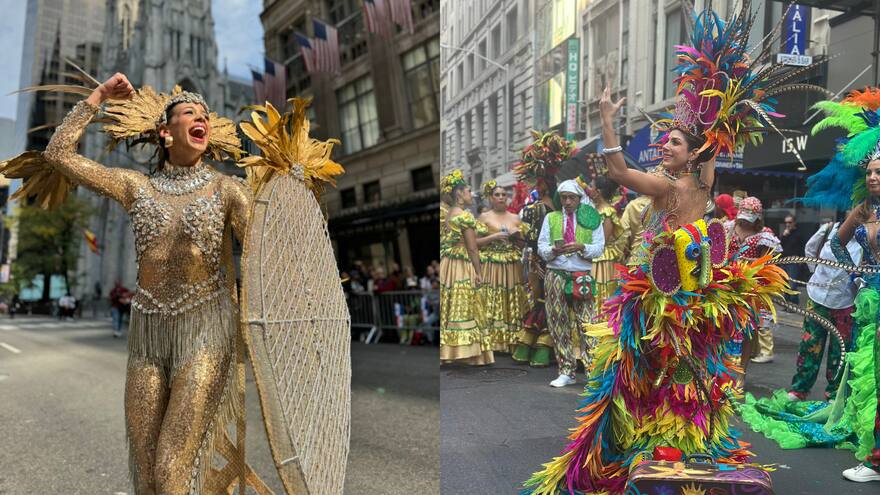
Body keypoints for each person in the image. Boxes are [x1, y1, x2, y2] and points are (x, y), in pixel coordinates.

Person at [0, 71, 353, 492]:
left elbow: (272, 256)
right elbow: (59, 154)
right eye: (190, 112)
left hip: (206, 336)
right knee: (146, 468)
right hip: (147, 337)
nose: (201, 117)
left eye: (205, 114)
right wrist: (99, 95)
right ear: (165, 132)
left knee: (171, 468)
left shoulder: (228, 191)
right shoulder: (135, 186)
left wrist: (293, 192)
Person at [523, 5, 794, 492]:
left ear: (691, 153)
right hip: (694, 291)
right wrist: (712, 102)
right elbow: (712, 140)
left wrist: (607, 120)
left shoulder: (668, 187)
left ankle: (654, 440)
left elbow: (618, 171)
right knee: (686, 368)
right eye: (665, 142)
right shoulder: (704, 181)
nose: (665, 147)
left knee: (648, 368)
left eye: (673, 143)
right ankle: (683, 438)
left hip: (662, 294)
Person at [740, 88, 880, 483]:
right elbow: (836, 245)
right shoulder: (865, 211)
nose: (872, 177)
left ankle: (875, 457)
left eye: (879, 172)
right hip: (867, 301)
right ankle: (871, 448)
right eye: (869, 172)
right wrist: (859, 272)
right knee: (866, 375)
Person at [537, 179, 605, 387]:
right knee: (558, 322)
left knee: (587, 322)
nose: (567, 201)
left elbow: (599, 247)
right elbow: (541, 247)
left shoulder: (591, 218)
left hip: (581, 274)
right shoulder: (551, 218)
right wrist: (552, 251)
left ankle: (593, 371)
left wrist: (582, 247)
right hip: (555, 274)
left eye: (571, 198)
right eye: (564, 197)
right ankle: (566, 371)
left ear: (579, 199)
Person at [510, 131, 569, 367]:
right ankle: (543, 350)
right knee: (552, 302)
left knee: (541, 301)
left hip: (537, 261)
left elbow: (529, 239)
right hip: (553, 262)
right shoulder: (559, 212)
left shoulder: (534, 209)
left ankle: (527, 349)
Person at [787, 220, 861, 401]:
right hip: (817, 297)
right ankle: (800, 389)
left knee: (839, 351)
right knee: (810, 346)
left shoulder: (865, 239)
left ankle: (833, 394)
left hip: (845, 302)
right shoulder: (829, 229)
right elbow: (810, 249)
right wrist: (817, 274)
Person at [440, 169, 491, 365]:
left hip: (448, 263)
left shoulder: (449, 214)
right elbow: (472, 247)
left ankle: (450, 351)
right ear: (459, 194)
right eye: (469, 191)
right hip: (461, 262)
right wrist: (478, 271)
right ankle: (466, 352)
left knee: (451, 304)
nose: (471, 194)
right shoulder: (464, 215)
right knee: (466, 304)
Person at [727, 197, 782, 368]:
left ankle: (742, 370)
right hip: (726, 284)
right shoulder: (728, 227)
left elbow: (766, 262)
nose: (745, 221)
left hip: (751, 288)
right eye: (743, 217)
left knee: (747, 329)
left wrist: (746, 262)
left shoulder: (764, 235)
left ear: (758, 218)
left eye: (749, 218)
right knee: (725, 326)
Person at [477, 180, 528, 353]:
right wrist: (494, 236)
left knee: (513, 297)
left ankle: (514, 339)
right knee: (493, 299)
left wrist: (517, 236)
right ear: (491, 198)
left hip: (512, 265)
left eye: (503, 194)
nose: (501, 197)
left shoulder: (515, 217)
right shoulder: (484, 217)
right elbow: (474, 242)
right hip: (491, 265)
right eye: (497, 195)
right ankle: (493, 341)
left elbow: (523, 245)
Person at [588, 176, 623, 312]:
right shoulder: (594, 209)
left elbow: (603, 240)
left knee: (603, 291)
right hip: (592, 255)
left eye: (591, 186)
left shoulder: (607, 211)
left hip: (603, 258)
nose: (589, 189)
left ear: (598, 192)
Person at [780, 214, 808, 304]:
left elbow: (803, 247)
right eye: (786, 223)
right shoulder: (785, 234)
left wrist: (801, 260)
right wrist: (784, 236)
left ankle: (794, 304)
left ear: (794, 223)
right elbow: (780, 247)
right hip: (784, 261)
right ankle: (787, 304)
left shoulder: (799, 234)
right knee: (785, 285)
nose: (787, 224)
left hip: (793, 262)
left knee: (792, 285)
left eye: (790, 222)